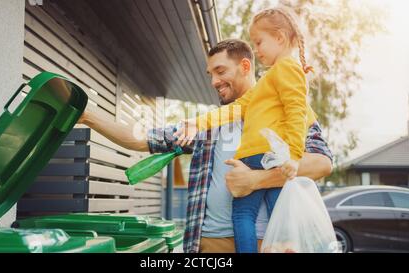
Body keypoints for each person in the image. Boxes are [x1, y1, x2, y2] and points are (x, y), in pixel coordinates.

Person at [77, 39, 333, 253]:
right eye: (210, 74)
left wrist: (256, 180)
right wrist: (87, 116)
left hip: (269, 245)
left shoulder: (288, 108)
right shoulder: (208, 125)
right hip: (208, 246)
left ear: (245, 66)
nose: (214, 82)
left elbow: (322, 164)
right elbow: (141, 138)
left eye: (221, 71)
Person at [174, 7, 329, 253]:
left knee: (244, 215)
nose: (256, 49)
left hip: (257, 157)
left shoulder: (286, 69)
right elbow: (236, 109)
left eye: (259, 42)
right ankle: (284, 246)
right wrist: (198, 123)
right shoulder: (270, 79)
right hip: (266, 157)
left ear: (279, 37)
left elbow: (297, 112)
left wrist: (295, 156)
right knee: (280, 212)